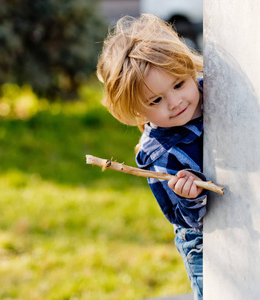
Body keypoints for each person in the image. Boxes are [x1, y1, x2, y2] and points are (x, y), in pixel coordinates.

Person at [97, 14, 206, 300]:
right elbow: (185, 219)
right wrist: (189, 196)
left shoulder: (211, 91)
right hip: (203, 244)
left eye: (179, 84)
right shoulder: (159, 154)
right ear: (136, 110)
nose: (175, 102)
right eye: (155, 100)